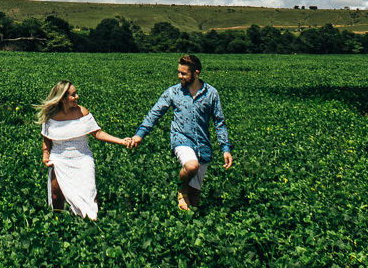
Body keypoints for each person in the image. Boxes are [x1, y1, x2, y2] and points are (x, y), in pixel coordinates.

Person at [124, 54, 233, 210]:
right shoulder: (173, 92)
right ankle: (181, 189)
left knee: (195, 198)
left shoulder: (211, 94)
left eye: (184, 73)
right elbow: (155, 113)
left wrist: (226, 148)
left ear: (196, 73)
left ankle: (189, 223)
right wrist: (139, 134)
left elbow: (219, 122)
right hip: (181, 140)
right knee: (191, 166)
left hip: (203, 146)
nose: (179, 76)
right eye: (179, 72)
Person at [36, 80, 132, 220]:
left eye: (76, 94)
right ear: (62, 98)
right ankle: (58, 222)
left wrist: (121, 140)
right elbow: (46, 138)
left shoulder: (82, 112)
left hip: (82, 157)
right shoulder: (50, 116)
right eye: (73, 95)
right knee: (56, 194)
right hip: (59, 158)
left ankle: (91, 220)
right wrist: (46, 154)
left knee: (88, 193)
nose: (77, 97)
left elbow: (97, 133)